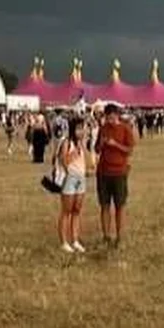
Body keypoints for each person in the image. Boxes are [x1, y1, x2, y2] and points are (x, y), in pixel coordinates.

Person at [94, 104, 135, 249]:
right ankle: (106, 236)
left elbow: (129, 150)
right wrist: (101, 143)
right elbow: (96, 149)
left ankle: (120, 237)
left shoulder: (125, 129)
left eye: (111, 118)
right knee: (104, 205)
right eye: (107, 118)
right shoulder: (103, 128)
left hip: (119, 173)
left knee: (120, 206)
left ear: (117, 115)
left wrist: (115, 144)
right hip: (103, 172)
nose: (109, 121)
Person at [56, 118, 88, 254]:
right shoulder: (66, 142)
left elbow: (87, 160)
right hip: (70, 178)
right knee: (66, 211)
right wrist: (73, 154)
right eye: (78, 128)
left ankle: (75, 240)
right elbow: (64, 161)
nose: (81, 131)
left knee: (77, 210)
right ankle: (64, 241)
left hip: (81, 178)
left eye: (83, 128)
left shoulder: (81, 143)